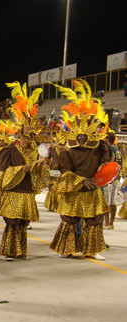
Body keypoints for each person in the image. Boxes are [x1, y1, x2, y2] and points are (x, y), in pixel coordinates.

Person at [49, 79, 111, 260]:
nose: (83, 140)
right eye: (80, 136)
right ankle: (66, 248)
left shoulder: (99, 149)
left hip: (93, 191)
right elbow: (66, 173)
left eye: (86, 136)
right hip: (75, 191)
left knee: (94, 221)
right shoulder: (69, 153)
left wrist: (102, 176)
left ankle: (92, 250)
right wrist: (83, 180)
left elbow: (106, 166)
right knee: (69, 220)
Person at [0, 81, 50, 261]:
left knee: (23, 224)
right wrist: (21, 169)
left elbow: (40, 175)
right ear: (19, 135)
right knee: (12, 222)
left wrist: (40, 167)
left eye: (32, 136)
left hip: (27, 192)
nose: (30, 140)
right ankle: (9, 251)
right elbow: (3, 170)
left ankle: (20, 250)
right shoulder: (9, 150)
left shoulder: (36, 150)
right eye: (27, 136)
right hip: (13, 192)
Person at [101, 132, 123, 229]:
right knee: (112, 201)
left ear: (107, 139)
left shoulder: (108, 149)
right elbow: (120, 166)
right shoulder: (119, 151)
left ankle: (106, 223)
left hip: (109, 178)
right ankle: (111, 223)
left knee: (106, 201)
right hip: (117, 178)